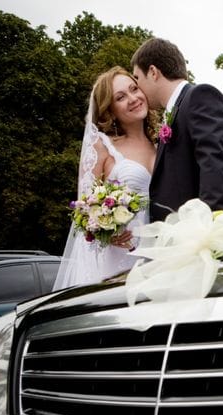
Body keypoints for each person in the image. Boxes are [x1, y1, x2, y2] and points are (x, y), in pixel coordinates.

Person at [53, 66, 157, 290]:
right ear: (110, 110)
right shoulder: (102, 146)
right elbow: (85, 209)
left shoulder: (162, 144)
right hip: (120, 258)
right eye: (120, 97)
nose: (133, 98)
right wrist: (107, 232)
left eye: (134, 89)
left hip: (159, 255)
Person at [131, 37, 223, 222]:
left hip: (208, 241)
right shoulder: (176, 111)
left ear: (153, 72)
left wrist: (207, 234)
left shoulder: (200, 96)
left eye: (137, 78)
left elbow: (217, 168)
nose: (137, 88)